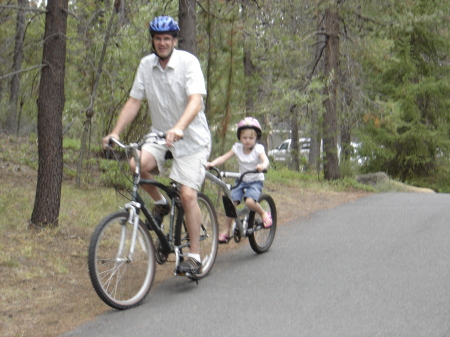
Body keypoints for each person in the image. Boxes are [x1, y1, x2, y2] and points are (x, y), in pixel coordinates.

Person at [103, 15, 211, 278]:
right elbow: (134, 102)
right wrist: (115, 132)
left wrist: (180, 127)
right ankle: (161, 202)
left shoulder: (188, 63)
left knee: (187, 196)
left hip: (192, 138)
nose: (162, 43)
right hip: (160, 136)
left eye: (167, 38)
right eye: (157, 38)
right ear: (152, 40)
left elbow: (195, 101)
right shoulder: (146, 65)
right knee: (136, 164)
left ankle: (194, 256)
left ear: (174, 41)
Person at [206, 117, 272, 244]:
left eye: (250, 138)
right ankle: (226, 230)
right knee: (231, 204)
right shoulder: (237, 148)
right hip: (241, 180)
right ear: (239, 137)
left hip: (255, 180)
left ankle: (263, 213)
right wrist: (212, 163)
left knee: (249, 202)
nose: (247, 141)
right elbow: (224, 157)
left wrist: (262, 166)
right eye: (244, 138)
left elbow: (265, 160)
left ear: (256, 138)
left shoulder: (258, 149)